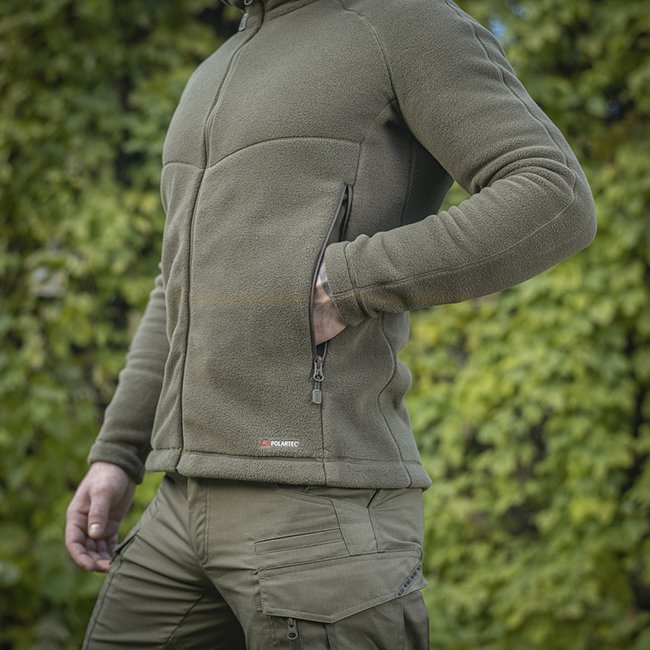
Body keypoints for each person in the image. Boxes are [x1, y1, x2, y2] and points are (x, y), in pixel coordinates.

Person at [65, 0, 597, 647]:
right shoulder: (217, 66)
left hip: (320, 513)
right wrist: (118, 452)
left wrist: (346, 283)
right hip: (178, 504)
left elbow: (553, 194)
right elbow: (177, 282)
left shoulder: (405, 23)